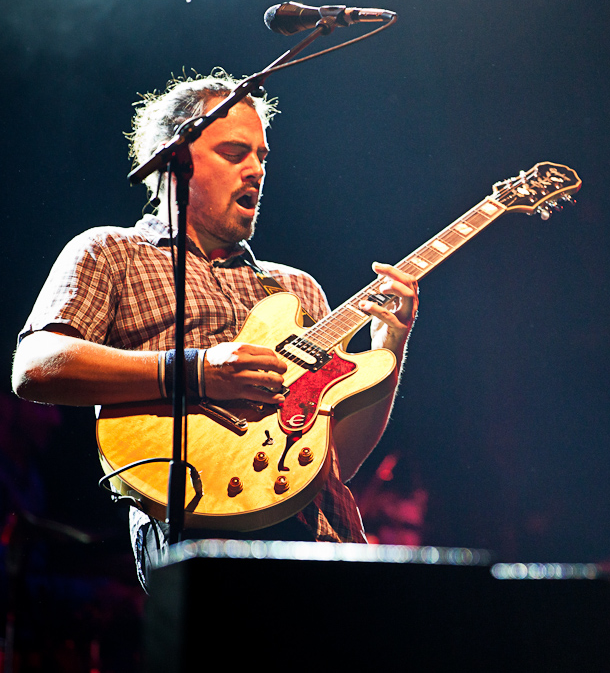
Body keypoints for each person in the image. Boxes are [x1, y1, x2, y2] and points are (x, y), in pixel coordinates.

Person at [11, 71, 419, 588]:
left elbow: (334, 460)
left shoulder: (297, 289)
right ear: (172, 158)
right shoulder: (110, 251)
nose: (255, 171)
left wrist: (390, 347)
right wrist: (199, 372)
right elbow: (35, 366)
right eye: (234, 153)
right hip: (195, 523)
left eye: (262, 157)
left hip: (328, 540)